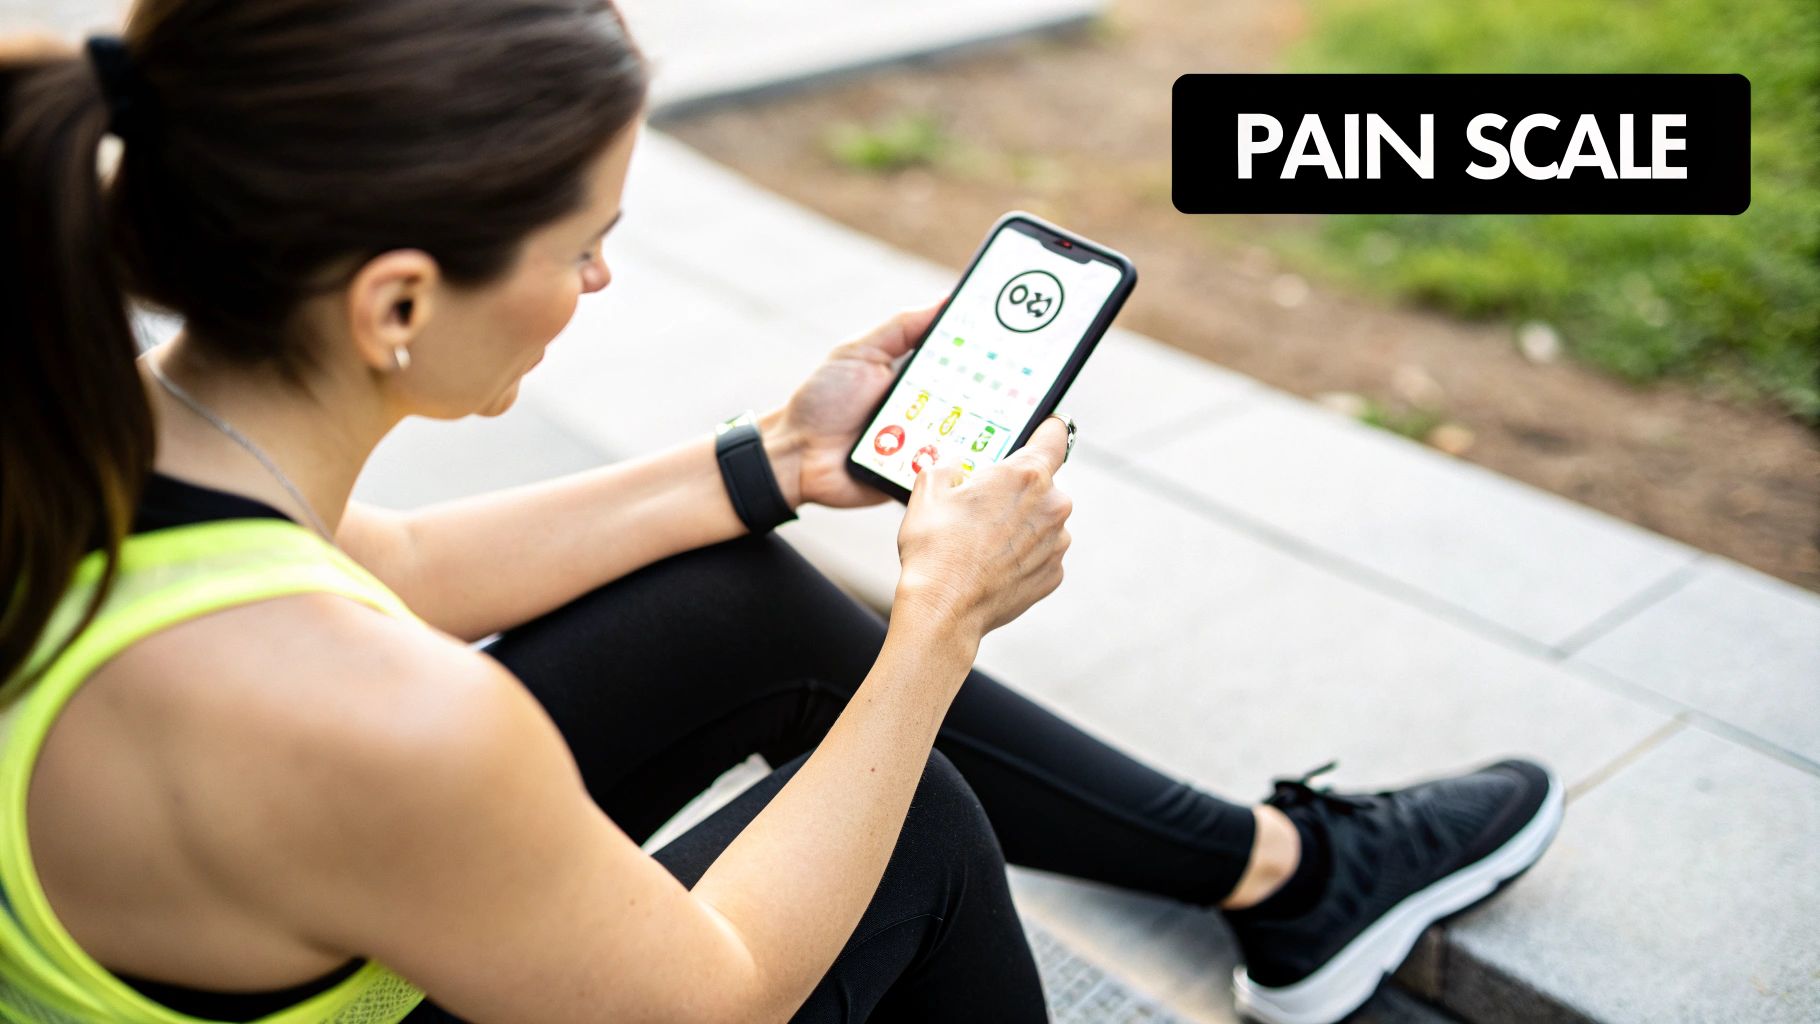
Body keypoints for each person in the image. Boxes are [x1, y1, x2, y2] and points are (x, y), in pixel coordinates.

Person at [0, 2, 1564, 1022]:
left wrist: (764, 460)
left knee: (732, 594)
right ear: (398, 297)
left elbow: (394, 564)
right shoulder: (386, 729)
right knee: (913, 833)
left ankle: (1285, 877)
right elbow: (722, 997)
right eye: (582, 240)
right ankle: (1289, 879)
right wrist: (940, 624)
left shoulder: (75, 421)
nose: (598, 283)